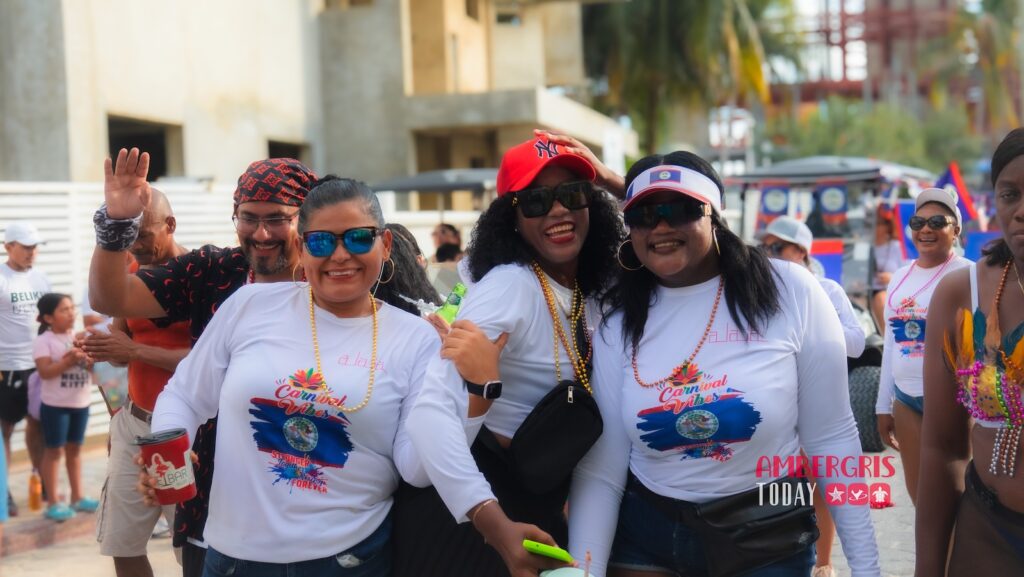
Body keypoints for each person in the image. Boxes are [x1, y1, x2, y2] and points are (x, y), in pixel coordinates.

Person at [568, 151, 880, 577]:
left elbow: (831, 436)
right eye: (643, 214)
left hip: (766, 533)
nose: (660, 225)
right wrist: (584, 571)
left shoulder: (791, 291)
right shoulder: (616, 318)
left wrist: (867, 569)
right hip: (648, 535)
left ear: (713, 215)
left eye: (680, 209)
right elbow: (604, 468)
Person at [147, 176, 440, 576]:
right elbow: (183, 395)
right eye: (321, 241)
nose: (340, 255)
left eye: (357, 238)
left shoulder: (417, 338)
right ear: (301, 249)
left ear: (384, 245)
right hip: (233, 559)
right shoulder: (250, 306)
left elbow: (415, 468)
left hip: (349, 560)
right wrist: (169, 447)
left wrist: (472, 392)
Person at [88, 148, 317, 577]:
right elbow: (110, 298)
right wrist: (115, 227)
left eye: (277, 219)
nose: (262, 234)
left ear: (306, 220)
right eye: (249, 217)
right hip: (213, 496)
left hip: (309, 498)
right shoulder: (212, 271)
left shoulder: (332, 282)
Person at [402, 136, 624, 577]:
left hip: (533, 508)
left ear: (592, 206)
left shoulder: (593, 290)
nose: (558, 210)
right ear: (512, 220)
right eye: (536, 201)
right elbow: (430, 416)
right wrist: (495, 526)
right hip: (468, 523)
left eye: (573, 194)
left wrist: (613, 180)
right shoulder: (512, 285)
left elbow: (693, 231)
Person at [917, 128, 1024, 575]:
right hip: (988, 535)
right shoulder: (963, 295)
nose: (1022, 212)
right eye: (1010, 194)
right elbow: (942, 449)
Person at [84, 189, 192, 577]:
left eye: (144, 234)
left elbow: (208, 364)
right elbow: (122, 346)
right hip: (134, 424)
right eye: (129, 236)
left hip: (184, 433)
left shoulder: (201, 277)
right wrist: (103, 349)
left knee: (191, 549)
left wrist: (135, 352)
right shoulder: (127, 273)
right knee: (121, 543)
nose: (137, 246)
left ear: (171, 225)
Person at [759, 215, 866, 577]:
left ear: (801, 252)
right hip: (778, 405)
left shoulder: (828, 290)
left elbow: (857, 343)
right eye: (764, 247)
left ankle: (823, 563)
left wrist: (816, 322)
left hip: (820, 405)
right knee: (784, 487)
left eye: (776, 248)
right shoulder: (759, 288)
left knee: (820, 486)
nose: (767, 253)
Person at [874, 187, 970, 504]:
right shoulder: (900, 276)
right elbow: (891, 343)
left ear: (955, 230)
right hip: (906, 401)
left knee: (956, 494)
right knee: (920, 496)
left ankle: (961, 554)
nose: (926, 229)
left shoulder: (969, 274)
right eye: (918, 222)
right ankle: (932, 555)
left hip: (952, 399)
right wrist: (882, 405)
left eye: (937, 221)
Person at [0, 221, 51, 517]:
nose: (32, 252)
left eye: (34, 247)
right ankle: (4, 493)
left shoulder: (41, 279)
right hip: (7, 367)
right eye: (26, 246)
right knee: (4, 431)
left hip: (38, 367)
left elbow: (48, 322)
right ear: (8, 247)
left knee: (38, 425)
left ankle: (41, 481)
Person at [33, 293, 97, 522]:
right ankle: (53, 502)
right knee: (54, 451)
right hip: (56, 406)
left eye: (72, 308)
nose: (71, 313)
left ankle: (78, 497)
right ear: (49, 318)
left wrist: (87, 361)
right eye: (64, 310)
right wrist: (67, 361)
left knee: (75, 450)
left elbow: (93, 372)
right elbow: (45, 372)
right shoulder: (45, 340)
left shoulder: (77, 337)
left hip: (80, 403)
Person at [871, 209, 904, 332]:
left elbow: (908, 272)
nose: (874, 227)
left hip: (891, 290)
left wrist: (892, 277)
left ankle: (886, 342)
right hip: (866, 291)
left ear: (887, 227)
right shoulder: (863, 247)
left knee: (881, 299)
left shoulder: (897, 246)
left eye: (879, 223)